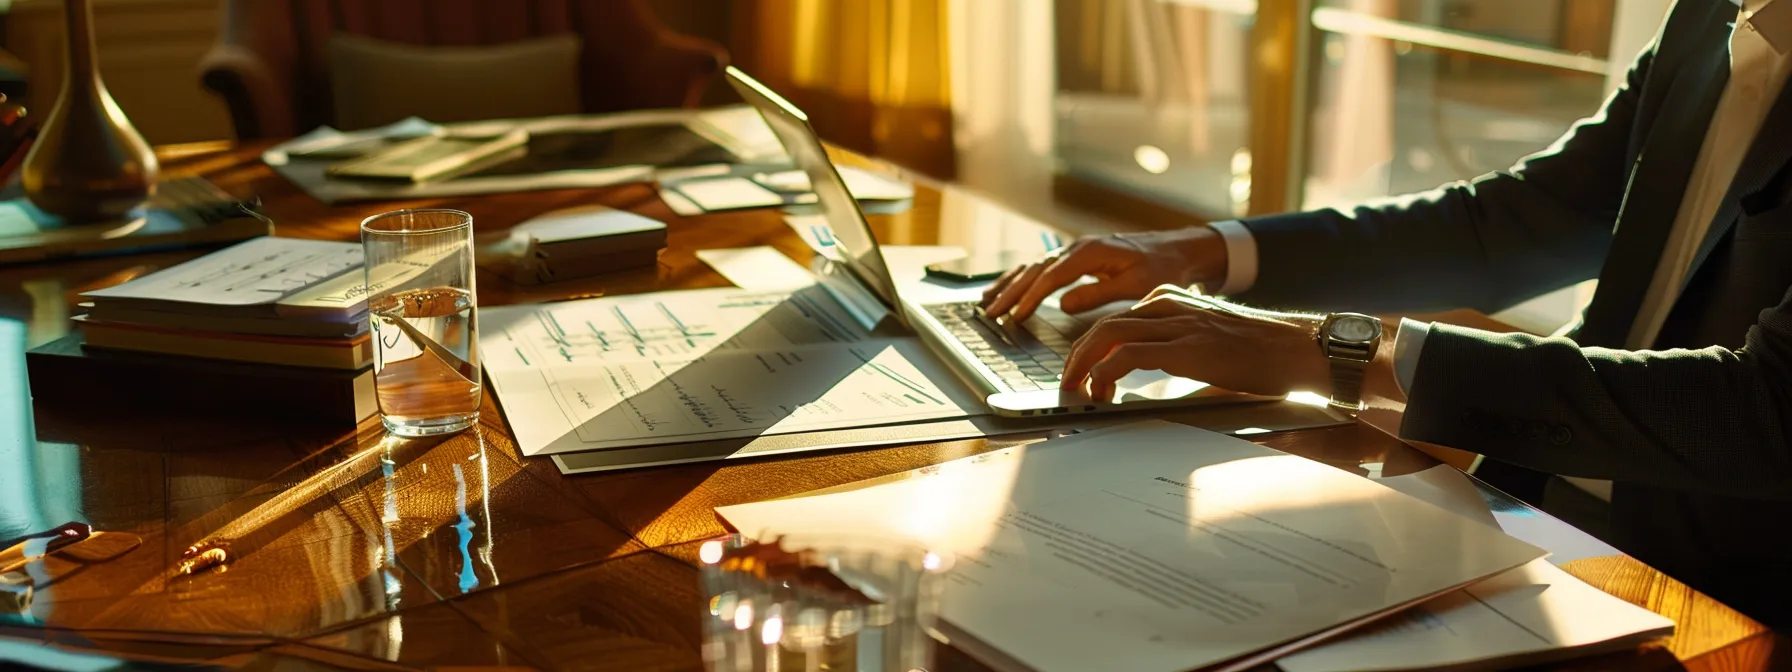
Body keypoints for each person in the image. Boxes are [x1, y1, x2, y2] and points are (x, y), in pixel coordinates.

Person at [982, 0, 1792, 628]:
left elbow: (1767, 412)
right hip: (1548, 510)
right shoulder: (1712, 16)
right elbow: (1527, 220)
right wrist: (1209, 251)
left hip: (1727, 591)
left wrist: (1337, 351)